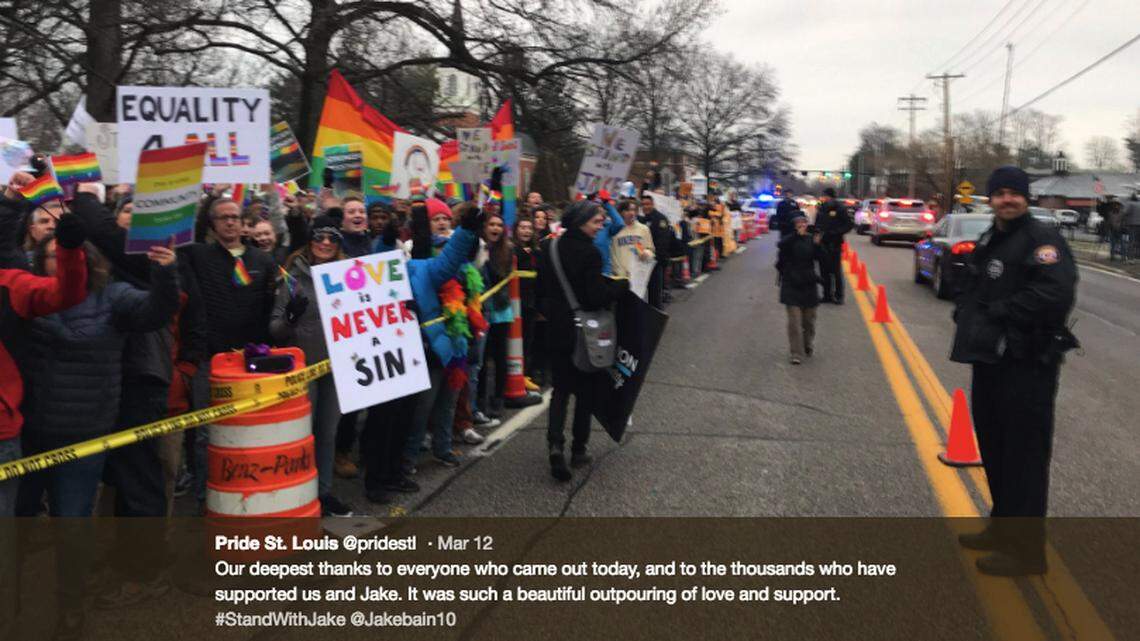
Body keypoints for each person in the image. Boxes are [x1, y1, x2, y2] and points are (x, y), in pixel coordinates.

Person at [951, 166, 1078, 577]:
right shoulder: (993, 236)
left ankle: (1026, 553)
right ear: (990, 198)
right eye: (1000, 193)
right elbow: (977, 284)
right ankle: (1002, 529)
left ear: (1027, 198)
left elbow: (1054, 294)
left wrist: (999, 313)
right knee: (996, 448)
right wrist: (966, 311)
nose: (1007, 199)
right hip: (992, 360)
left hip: (1027, 363)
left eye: (1014, 193)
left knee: (1023, 457)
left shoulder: (1042, 239)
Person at [180, 197, 277, 509]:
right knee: (207, 435)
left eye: (235, 217)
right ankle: (204, 497)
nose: (230, 222)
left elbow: (270, 309)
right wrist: (209, 195)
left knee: (248, 429)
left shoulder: (263, 261)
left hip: (252, 360)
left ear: (244, 223)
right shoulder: (198, 255)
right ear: (212, 224)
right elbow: (185, 240)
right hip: (211, 359)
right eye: (223, 218)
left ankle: (244, 490)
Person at [268, 215, 356, 517]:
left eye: (333, 238)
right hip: (304, 369)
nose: (326, 243)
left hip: (337, 367)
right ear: (310, 241)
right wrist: (290, 318)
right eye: (320, 237)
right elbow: (275, 329)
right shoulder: (291, 277)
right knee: (304, 432)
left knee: (328, 432)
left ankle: (324, 492)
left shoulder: (351, 275)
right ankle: (300, 492)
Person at [536, 200, 629, 482]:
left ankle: (554, 445)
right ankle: (578, 449)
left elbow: (540, 291)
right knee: (586, 391)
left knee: (560, 391)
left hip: (557, 330)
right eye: (596, 222)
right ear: (580, 222)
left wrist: (554, 313)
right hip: (584, 334)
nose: (600, 226)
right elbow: (595, 296)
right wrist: (619, 286)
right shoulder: (589, 254)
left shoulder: (548, 247)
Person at [775, 216, 821, 364]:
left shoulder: (811, 240)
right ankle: (796, 352)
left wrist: (818, 245)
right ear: (794, 226)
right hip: (791, 283)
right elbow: (780, 252)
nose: (802, 226)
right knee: (794, 321)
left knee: (808, 321)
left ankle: (807, 344)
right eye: (798, 224)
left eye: (804, 223)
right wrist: (787, 272)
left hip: (808, 284)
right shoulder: (788, 241)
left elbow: (822, 259)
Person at [514, 215, 544, 390]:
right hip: (515, 303)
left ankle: (525, 374)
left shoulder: (537, 252)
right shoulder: (512, 251)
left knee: (528, 339)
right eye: (522, 227)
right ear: (516, 230)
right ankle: (514, 374)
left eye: (529, 228)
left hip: (531, 303)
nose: (526, 231)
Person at [814, 188, 853, 304]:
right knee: (824, 271)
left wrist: (835, 232)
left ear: (830, 196)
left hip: (834, 243)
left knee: (835, 271)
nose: (824, 198)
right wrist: (816, 232)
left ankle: (839, 296)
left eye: (825, 196)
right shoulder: (821, 207)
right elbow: (818, 223)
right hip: (822, 243)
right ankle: (826, 295)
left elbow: (848, 225)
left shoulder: (840, 208)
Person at [611, 199, 655, 300]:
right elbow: (612, 253)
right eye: (628, 210)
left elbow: (650, 248)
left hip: (639, 276)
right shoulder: (614, 229)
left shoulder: (643, 229)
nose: (632, 213)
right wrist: (619, 272)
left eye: (634, 210)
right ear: (620, 212)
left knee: (640, 309)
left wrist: (648, 253)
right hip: (621, 277)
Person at [639, 195, 674, 309]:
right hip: (641, 262)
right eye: (643, 204)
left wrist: (655, 259)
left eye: (648, 204)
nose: (645, 207)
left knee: (655, 295)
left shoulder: (660, 219)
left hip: (654, 262)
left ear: (652, 204)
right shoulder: (641, 219)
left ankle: (656, 320)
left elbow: (662, 243)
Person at [1101, 195, 1126, 262]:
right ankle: (1112, 256)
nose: (1116, 206)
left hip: (1120, 230)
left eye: (1117, 205)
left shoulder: (1122, 213)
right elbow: (1109, 222)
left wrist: (1122, 227)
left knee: (1122, 244)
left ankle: (1123, 257)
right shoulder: (1110, 213)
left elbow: (1124, 221)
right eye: (1115, 205)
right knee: (1113, 244)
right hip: (1112, 230)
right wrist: (1107, 228)